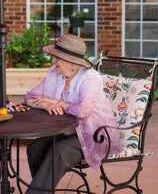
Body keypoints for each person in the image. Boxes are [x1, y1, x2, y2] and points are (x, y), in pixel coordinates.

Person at [23, 34, 121, 194]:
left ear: (72, 63)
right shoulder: (55, 74)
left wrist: (59, 102)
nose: (54, 62)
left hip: (95, 135)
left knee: (59, 151)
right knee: (35, 148)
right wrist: (47, 104)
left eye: (57, 58)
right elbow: (28, 98)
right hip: (67, 131)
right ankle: (44, 190)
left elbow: (83, 111)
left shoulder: (90, 78)